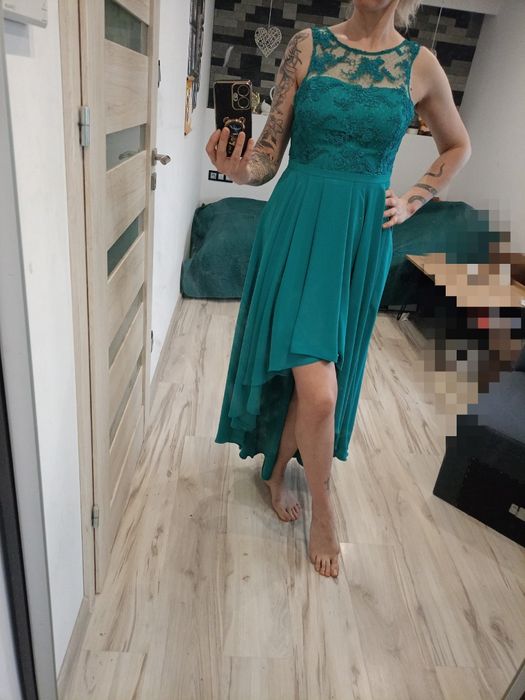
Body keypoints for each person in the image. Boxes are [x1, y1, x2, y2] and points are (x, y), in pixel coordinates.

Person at [205, 0, 471, 578]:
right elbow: (268, 153)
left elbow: (457, 145)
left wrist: (415, 199)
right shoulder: (306, 46)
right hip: (297, 223)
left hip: (360, 236)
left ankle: (277, 470)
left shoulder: (422, 65)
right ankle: (323, 513)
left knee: (318, 373)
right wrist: (238, 169)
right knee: (318, 386)